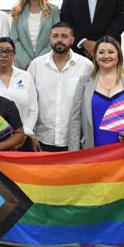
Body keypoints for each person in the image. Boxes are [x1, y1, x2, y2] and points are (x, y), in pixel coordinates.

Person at [68, 37, 124, 150]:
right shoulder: (84, 81)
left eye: (111, 52)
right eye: (101, 52)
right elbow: (75, 119)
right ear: (95, 56)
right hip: (93, 152)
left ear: (119, 55)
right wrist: (73, 154)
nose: (106, 56)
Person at [27, 22, 93, 151]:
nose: (59, 40)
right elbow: (29, 101)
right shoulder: (36, 65)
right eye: (55, 36)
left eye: (64, 36)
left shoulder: (86, 66)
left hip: (74, 141)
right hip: (42, 139)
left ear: (72, 40)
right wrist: (30, 133)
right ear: (49, 38)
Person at [0, 37, 38, 144]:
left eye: (8, 51)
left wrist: (24, 133)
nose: (4, 55)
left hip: (23, 138)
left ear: (14, 55)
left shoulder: (26, 76)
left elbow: (33, 109)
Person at [9, 0, 60, 70]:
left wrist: (38, 63)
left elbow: (55, 39)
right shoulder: (17, 11)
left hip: (46, 65)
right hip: (23, 67)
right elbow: (14, 40)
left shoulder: (53, 11)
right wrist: (27, 63)